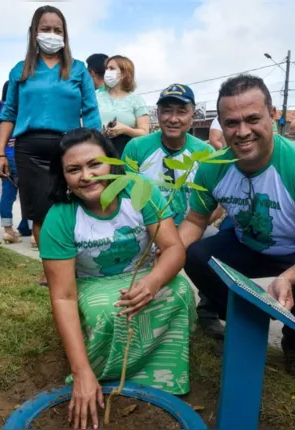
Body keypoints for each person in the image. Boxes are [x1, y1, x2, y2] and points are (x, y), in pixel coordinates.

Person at [180, 74, 295, 381]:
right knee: (196, 255)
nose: (242, 132)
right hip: (247, 244)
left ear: (273, 115)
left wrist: (288, 277)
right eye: (231, 123)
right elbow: (195, 221)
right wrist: (163, 264)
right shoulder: (213, 167)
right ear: (220, 125)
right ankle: (239, 324)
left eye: (253, 119)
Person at [40, 128, 194, 429]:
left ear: (111, 161)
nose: (86, 176)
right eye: (74, 169)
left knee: (179, 292)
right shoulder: (60, 218)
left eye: (94, 164)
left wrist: (152, 282)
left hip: (143, 276)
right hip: (90, 285)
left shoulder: (139, 193)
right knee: (105, 309)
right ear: (63, 176)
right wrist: (80, 370)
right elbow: (62, 296)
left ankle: (160, 374)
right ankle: (96, 374)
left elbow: (174, 248)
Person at [0, 5, 101, 284]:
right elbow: (8, 113)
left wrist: (95, 150)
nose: (51, 34)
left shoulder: (78, 70)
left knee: (72, 206)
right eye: (45, 29)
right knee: (40, 211)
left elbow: (90, 112)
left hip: (68, 147)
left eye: (58, 30)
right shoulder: (20, 70)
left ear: (65, 34)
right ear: (34, 33)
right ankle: (51, 268)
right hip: (28, 149)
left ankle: (83, 263)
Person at [122, 83, 224, 339]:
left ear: (193, 116)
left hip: (192, 228)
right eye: (167, 111)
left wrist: (183, 234)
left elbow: (216, 201)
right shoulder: (136, 148)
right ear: (157, 114)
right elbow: (126, 197)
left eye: (182, 111)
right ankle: (132, 304)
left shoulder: (206, 153)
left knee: (217, 247)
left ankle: (209, 310)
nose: (174, 118)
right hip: (147, 228)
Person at [0, 80, 31, 243]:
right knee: (30, 195)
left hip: (2, 155)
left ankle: (8, 231)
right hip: (21, 154)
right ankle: (35, 235)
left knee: (7, 195)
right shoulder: (20, 108)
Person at [97, 55, 150, 156]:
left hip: (126, 153)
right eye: (106, 68)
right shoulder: (95, 97)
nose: (107, 72)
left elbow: (145, 133)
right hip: (99, 150)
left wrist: (125, 130)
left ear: (123, 73)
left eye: (112, 68)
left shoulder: (137, 100)